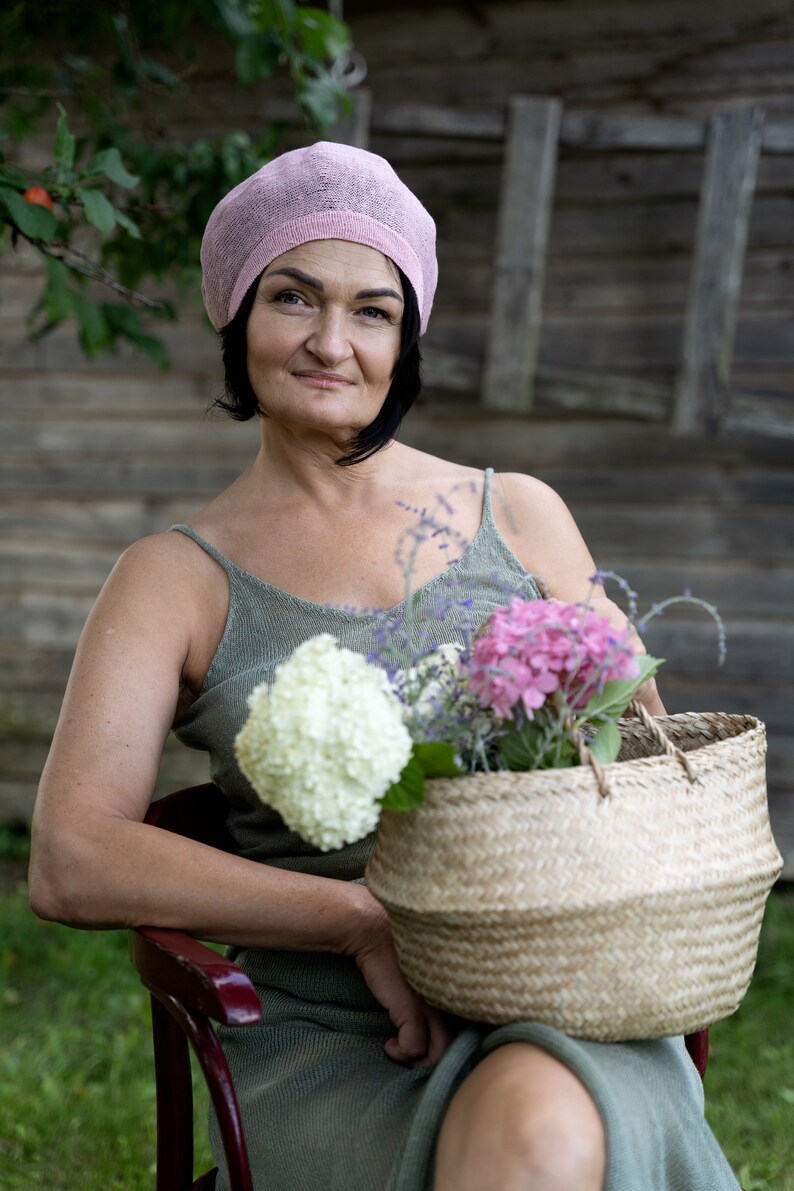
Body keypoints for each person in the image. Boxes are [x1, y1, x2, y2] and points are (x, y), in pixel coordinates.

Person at [29, 141, 740, 1191]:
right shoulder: (173, 578)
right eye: (292, 297)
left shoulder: (519, 516)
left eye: (372, 311)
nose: (330, 341)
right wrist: (357, 921)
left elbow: (640, 780)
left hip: (551, 985)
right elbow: (71, 858)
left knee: (542, 1126)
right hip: (331, 1027)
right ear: (235, 315)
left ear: (406, 338)